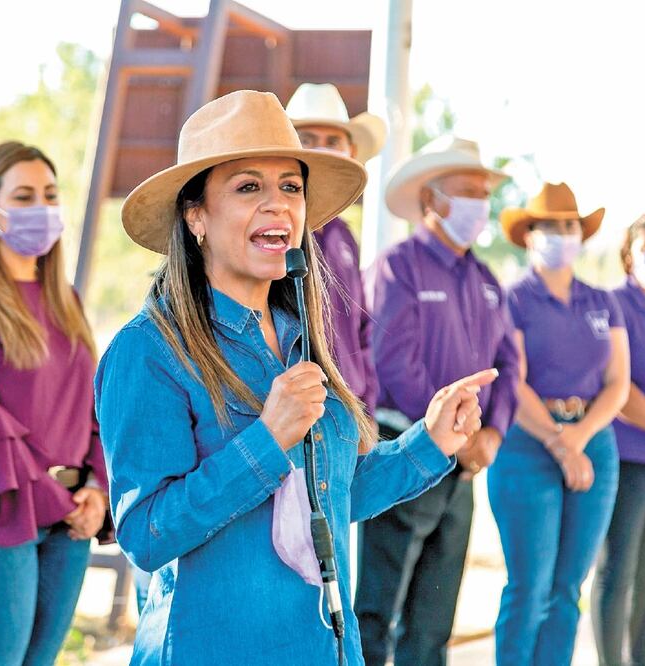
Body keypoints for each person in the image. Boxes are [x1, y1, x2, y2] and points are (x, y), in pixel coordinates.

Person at [95, 90, 497, 665]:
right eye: (248, 187)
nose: (277, 205)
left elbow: (328, 497)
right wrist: (267, 439)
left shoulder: (301, 337)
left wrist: (429, 442)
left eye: (291, 187)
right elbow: (147, 534)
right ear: (196, 215)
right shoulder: (148, 351)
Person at [0, 141, 110, 665]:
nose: (41, 207)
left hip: (69, 517)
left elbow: (90, 409)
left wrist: (95, 490)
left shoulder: (65, 299)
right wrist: (62, 498)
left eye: (50, 195)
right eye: (24, 195)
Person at [355, 136, 519, 666]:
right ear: (432, 200)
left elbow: (510, 362)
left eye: (484, 192)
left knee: (435, 613)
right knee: (378, 608)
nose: (480, 203)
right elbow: (394, 361)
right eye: (467, 191)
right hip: (404, 451)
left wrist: (490, 432)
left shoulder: (486, 278)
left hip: (465, 467)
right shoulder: (397, 267)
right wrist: (453, 434)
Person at [488, 182, 630, 665]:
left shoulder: (601, 301)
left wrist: (580, 438)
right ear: (528, 235)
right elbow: (514, 379)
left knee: (568, 588)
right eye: (548, 226)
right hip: (526, 446)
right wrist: (557, 441)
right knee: (529, 587)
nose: (559, 235)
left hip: (593, 442)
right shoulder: (513, 299)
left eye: (568, 226)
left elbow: (617, 383)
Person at [591, 212, 645, 666]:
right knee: (617, 572)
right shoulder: (613, 304)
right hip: (626, 457)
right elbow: (616, 381)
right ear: (629, 254)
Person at [285, 82, 385, 414]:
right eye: (307, 140)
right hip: (296, 413)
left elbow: (362, 330)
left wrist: (366, 408)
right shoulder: (273, 233)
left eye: (332, 142)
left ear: (350, 154)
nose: (321, 151)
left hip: (349, 412)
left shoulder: (345, 237)